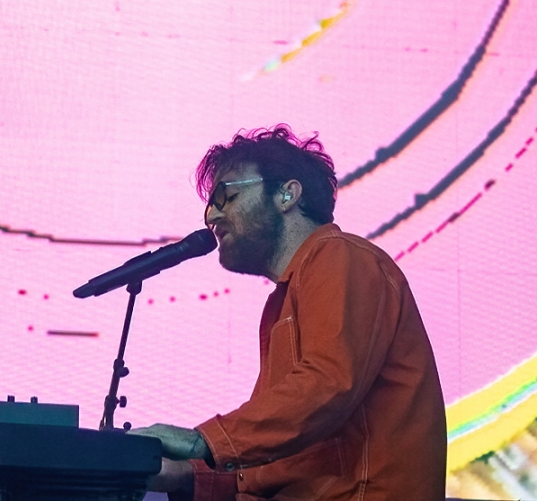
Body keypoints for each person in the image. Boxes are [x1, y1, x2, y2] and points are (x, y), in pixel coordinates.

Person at [131, 126, 447, 499]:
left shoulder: (339, 256)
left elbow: (327, 385)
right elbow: (286, 446)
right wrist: (187, 475)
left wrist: (204, 442)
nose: (211, 216)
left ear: (287, 194)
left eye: (225, 195)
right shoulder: (284, 299)